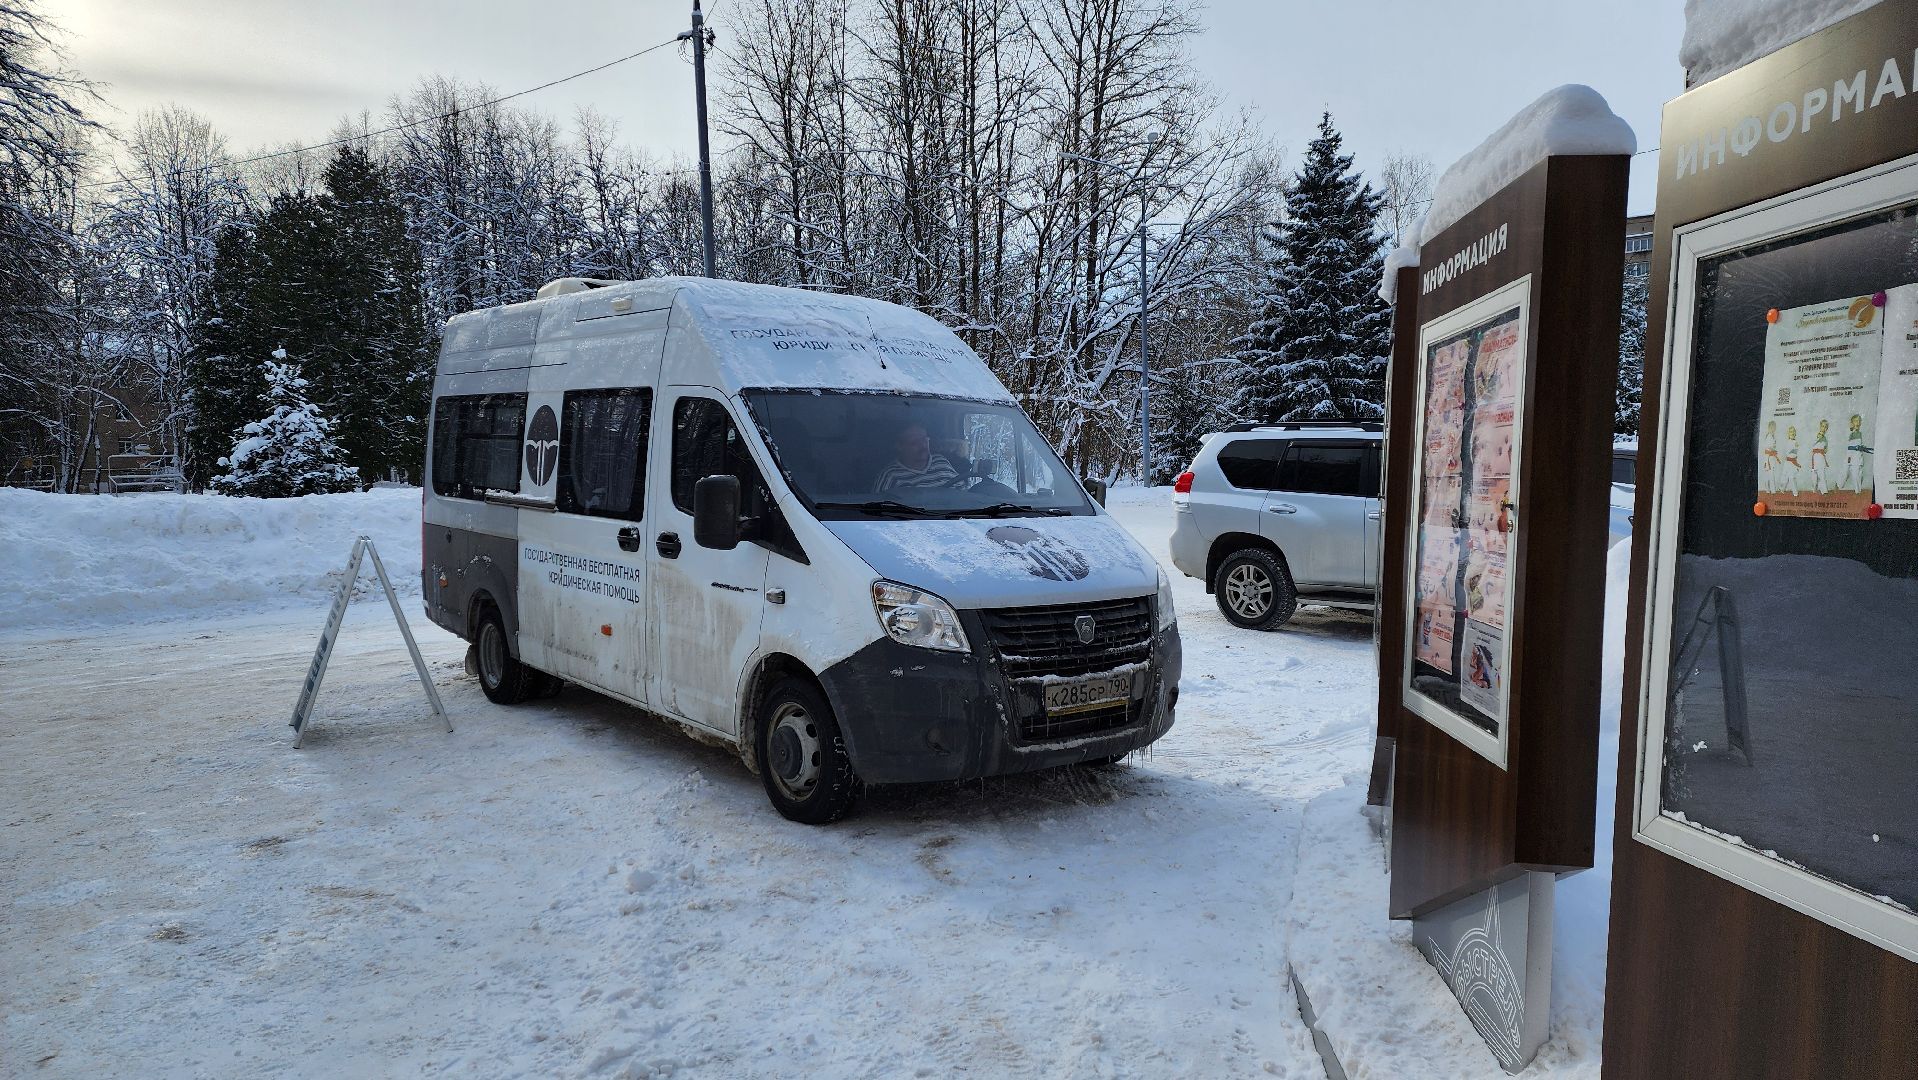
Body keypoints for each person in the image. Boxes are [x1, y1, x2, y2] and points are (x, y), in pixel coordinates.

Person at [874, 422, 961, 492]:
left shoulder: (941, 461)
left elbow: (963, 491)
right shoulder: (890, 476)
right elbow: (876, 510)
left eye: (924, 439)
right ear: (900, 446)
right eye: (914, 442)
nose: (922, 445)